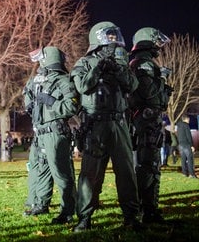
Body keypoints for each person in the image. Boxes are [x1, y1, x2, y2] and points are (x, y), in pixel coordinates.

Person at [70, 21, 141, 231]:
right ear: (98, 38)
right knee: (90, 173)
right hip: (95, 124)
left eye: (114, 36)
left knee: (127, 172)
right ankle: (84, 218)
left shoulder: (121, 60)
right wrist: (98, 68)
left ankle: (131, 216)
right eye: (109, 36)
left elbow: (133, 85)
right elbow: (82, 86)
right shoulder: (84, 62)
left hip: (119, 123)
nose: (113, 40)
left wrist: (119, 70)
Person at [22, 46, 78, 224]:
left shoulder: (63, 81)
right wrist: (29, 102)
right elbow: (27, 94)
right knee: (40, 169)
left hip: (55, 132)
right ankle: (40, 204)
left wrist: (52, 101)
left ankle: (68, 210)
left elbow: (72, 107)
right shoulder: (38, 80)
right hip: (40, 133)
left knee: (61, 172)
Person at [129, 26, 173, 224]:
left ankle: (148, 209)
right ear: (148, 42)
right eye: (156, 42)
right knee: (149, 166)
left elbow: (159, 100)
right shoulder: (143, 64)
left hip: (149, 122)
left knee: (150, 165)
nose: (159, 46)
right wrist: (162, 80)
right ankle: (148, 211)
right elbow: (150, 95)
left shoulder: (143, 63)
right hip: (146, 123)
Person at [176, 114, 197, 178]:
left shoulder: (178, 125)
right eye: (189, 120)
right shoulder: (186, 125)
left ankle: (184, 173)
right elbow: (189, 136)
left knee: (183, 159)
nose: (189, 121)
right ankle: (192, 174)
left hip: (181, 145)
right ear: (186, 119)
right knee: (190, 159)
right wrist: (192, 145)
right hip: (187, 145)